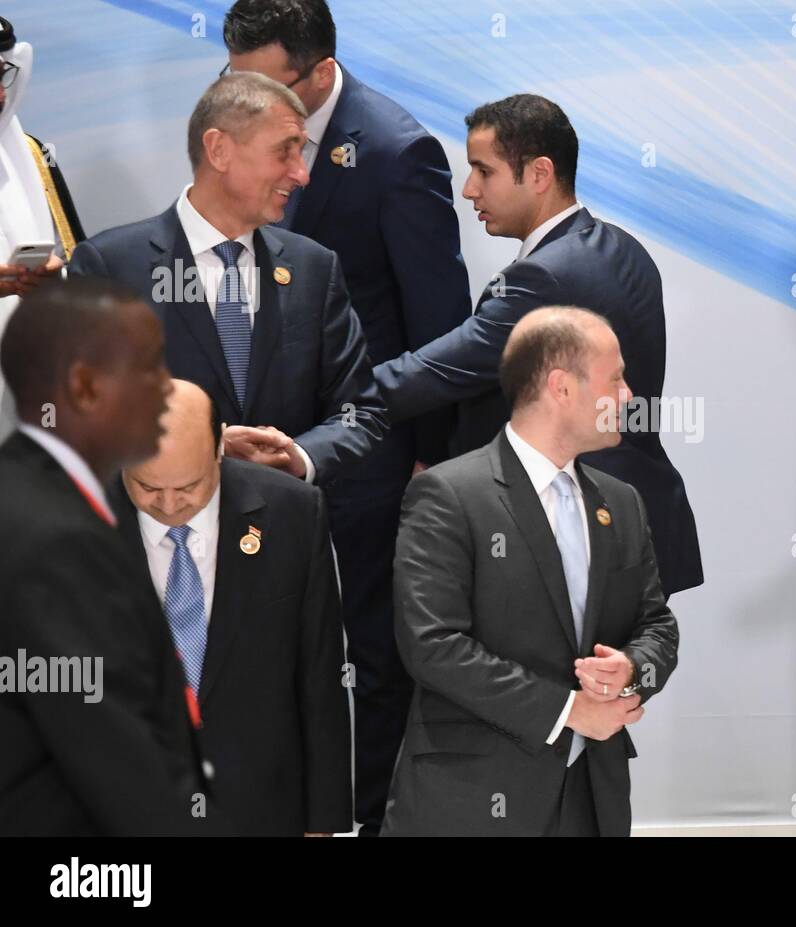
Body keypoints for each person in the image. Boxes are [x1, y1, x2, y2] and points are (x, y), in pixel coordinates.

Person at [222, 0, 472, 833]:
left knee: (370, 652)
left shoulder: (396, 152)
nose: (246, 101)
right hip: (256, 452)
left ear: (319, 73)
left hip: (368, 455)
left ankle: (369, 818)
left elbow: (440, 320)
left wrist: (429, 456)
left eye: (266, 84)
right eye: (234, 82)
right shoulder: (240, 143)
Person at [373, 94, 703, 599]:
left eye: (484, 171)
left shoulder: (540, 277)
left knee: (557, 681)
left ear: (540, 173)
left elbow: (433, 373)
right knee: (618, 679)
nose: (468, 189)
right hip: (641, 525)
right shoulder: (626, 249)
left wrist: (334, 395)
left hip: (571, 539)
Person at [382, 307, 679, 837]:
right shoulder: (449, 495)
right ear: (561, 387)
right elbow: (433, 645)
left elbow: (657, 624)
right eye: (615, 378)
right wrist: (568, 709)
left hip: (592, 799)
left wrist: (633, 670)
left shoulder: (622, 502)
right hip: (471, 802)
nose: (629, 396)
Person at [67, 71, 387, 487]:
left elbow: (360, 411)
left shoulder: (314, 268)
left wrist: (301, 457)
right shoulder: (109, 268)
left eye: (300, 153)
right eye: (284, 153)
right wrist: (208, 442)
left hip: (283, 536)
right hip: (154, 533)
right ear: (219, 150)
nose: (301, 173)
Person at [0, 277, 212, 835]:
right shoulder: (53, 539)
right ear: (85, 387)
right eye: (149, 367)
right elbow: (111, 750)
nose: (168, 388)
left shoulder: (32, 497)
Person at [111, 380, 352, 836]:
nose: (167, 505)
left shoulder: (292, 513)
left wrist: (324, 822)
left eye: (187, 486)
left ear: (219, 447)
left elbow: (320, 679)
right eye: (146, 486)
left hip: (259, 805)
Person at [0, 15, 86, 443]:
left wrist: (53, 282)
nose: (0, 93)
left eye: (1, 73)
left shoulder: (30, 155)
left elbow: (83, 270)